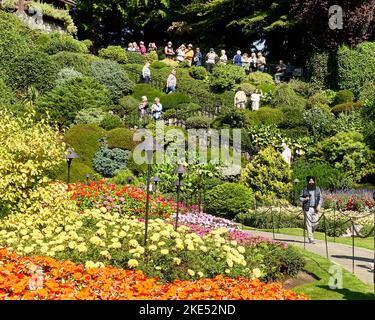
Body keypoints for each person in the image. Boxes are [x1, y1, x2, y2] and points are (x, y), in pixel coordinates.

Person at [300, 176, 323, 244]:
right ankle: (310, 238)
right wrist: (304, 199)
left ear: (314, 181)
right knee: (308, 223)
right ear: (308, 181)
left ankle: (310, 232)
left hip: (315, 208)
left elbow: (321, 198)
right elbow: (300, 197)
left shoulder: (317, 188)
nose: (311, 182)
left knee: (316, 223)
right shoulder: (304, 189)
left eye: (312, 180)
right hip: (307, 208)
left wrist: (319, 205)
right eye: (310, 181)